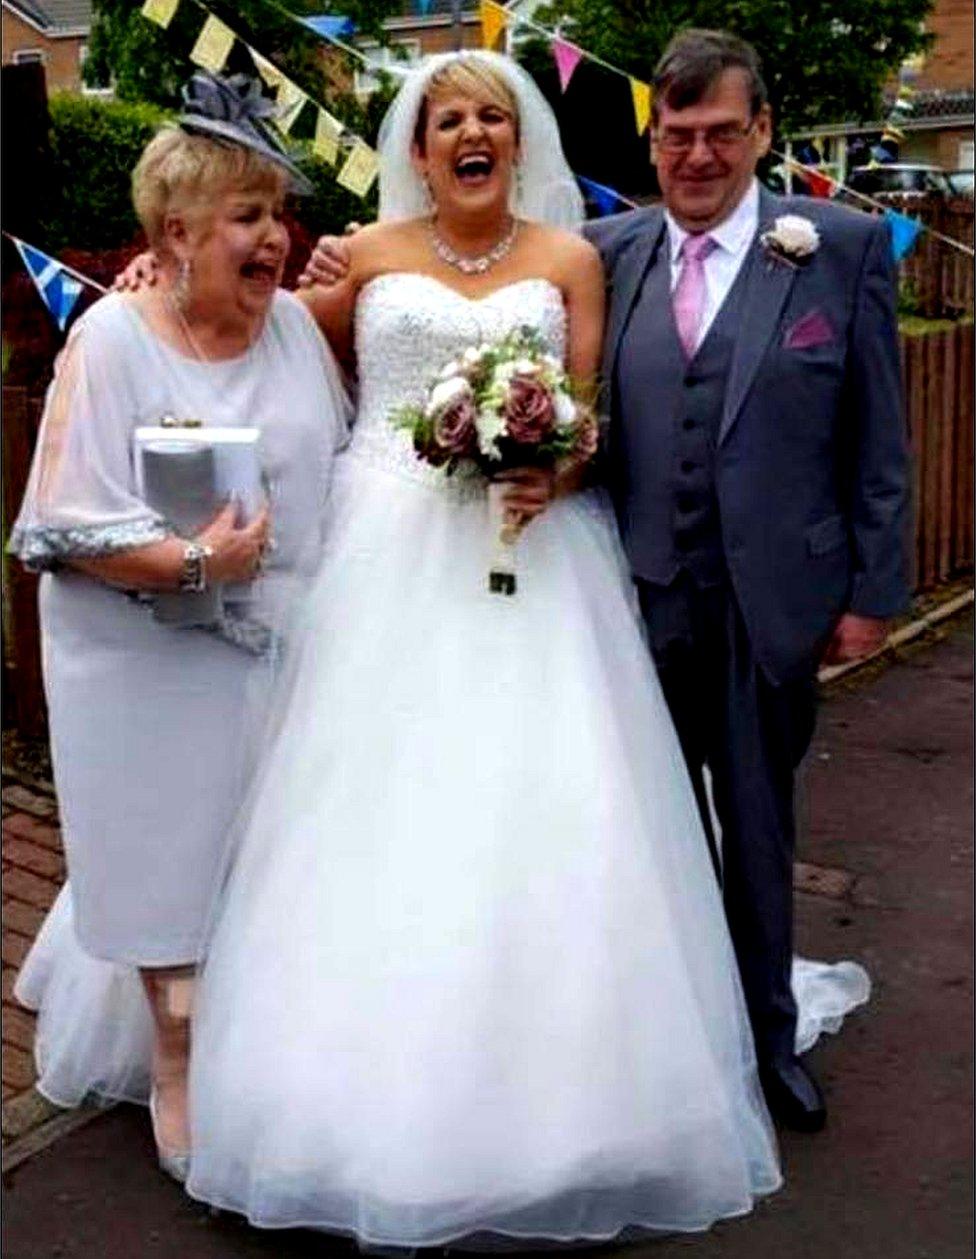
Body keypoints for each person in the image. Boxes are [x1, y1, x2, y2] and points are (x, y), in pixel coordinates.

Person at [181, 51, 864, 1246]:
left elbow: (594, 411)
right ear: (417, 147)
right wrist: (168, 276)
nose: (471, 132)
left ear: (521, 139)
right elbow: (251, 331)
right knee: (380, 810)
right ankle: (353, 1086)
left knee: (559, 808)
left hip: (538, 558)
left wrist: (553, 454)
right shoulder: (364, 260)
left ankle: (596, 1076)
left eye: (493, 113)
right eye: (449, 119)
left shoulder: (572, 259)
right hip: (385, 562)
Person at [9, 71, 351, 1182]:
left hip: (280, 648)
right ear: (176, 232)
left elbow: (342, 467)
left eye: (277, 212)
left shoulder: (295, 326)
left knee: (263, 863)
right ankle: (176, 1058)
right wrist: (201, 559)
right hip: (138, 660)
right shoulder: (110, 339)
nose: (274, 237)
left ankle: (260, 1047)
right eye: (246, 217)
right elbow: (56, 526)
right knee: (163, 865)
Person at [585, 30, 909, 1129]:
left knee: (759, 826)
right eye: (677, 134)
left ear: (763, 129)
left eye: (722, 131)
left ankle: (765, 1039)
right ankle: (664, 1041)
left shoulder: (843, 246)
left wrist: (872, 594)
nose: (698, 155)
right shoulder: (605, 251)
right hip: (637, 597)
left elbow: (877, 443)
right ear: (652, 136)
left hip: (777, 600)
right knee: (648, 829)